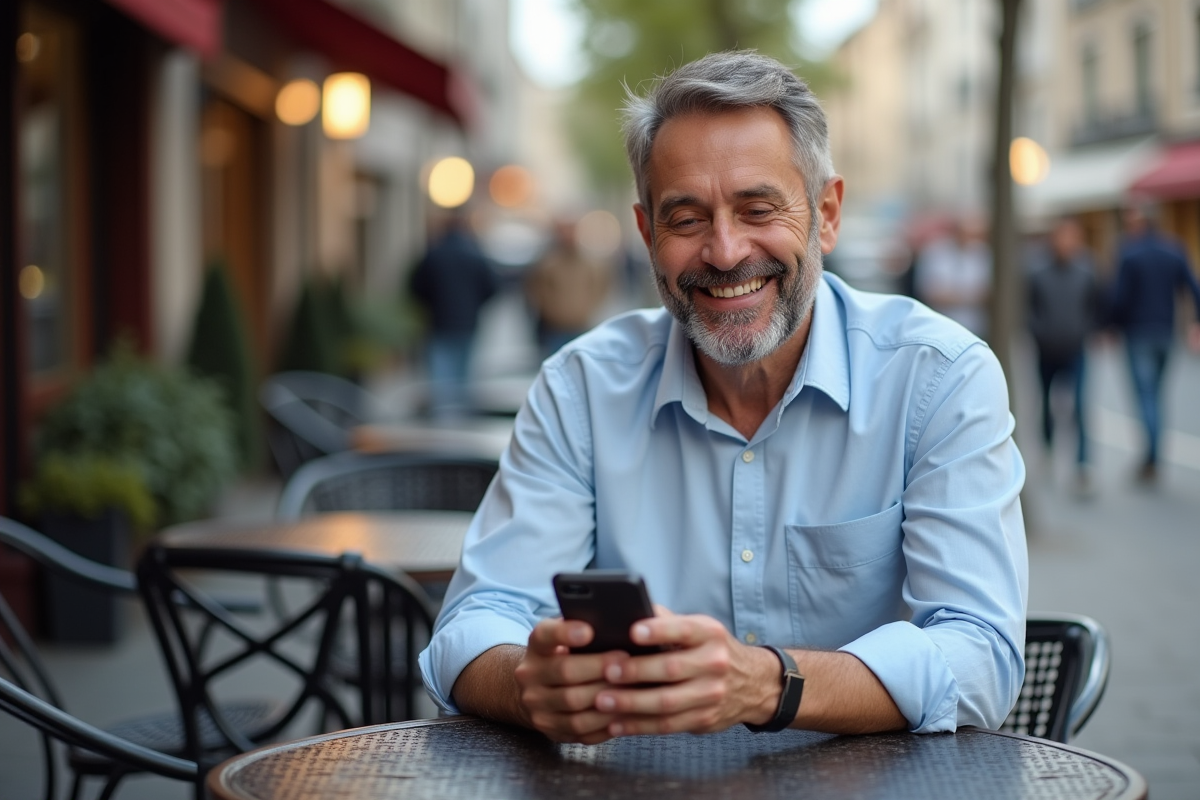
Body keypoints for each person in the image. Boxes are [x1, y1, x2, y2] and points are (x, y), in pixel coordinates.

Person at [419, 51, 1027, 742]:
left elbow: (982, 655)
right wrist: (531, 684)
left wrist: (767, 684)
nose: (726, 251)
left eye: (757, 208)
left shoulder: (939, 378)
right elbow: (472, 625)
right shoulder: (579, 389)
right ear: (647, 236)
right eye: (686, 219)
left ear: (826, 214)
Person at [1108, 204, 1200, 483]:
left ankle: (1152, 457)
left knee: (1146, 396)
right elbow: (1193, 288)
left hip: (1138, 335)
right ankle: (1152, 455)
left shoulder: (1130, 253)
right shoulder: (1174, 249)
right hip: (1165, 333)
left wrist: (1110, 326)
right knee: (1156, 395)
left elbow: (1119, 298)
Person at [1026, 218, 1102, 493]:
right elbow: (1028, 306)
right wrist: (1038, 331)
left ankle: (1082, 465)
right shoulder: (1037, 271)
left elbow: (1096, 304)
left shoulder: (1086, 270)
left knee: (1080, 406)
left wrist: (1089, 330)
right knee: (1046, 404)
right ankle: (1046, 451)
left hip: (1076, 348)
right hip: (1046, 349)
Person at [409, 213, 498, 419]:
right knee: (463, 376)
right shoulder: (475, 255)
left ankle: (444, 419)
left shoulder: (434, 254)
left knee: (441, 378)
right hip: (467, 323)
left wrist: (430, 306)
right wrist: (475, 306)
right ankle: (459, 417)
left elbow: (415, 287)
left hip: (439, 323)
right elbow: (492, 287)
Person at [525, 219, 614, 360]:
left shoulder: (590, 263)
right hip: (555, 328)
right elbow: (537, 291)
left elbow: (601, 286)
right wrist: (552, 311)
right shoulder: (548, 263)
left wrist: (587, 308)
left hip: (581, 325)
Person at [913, 216, 993, 338]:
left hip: (976, 326)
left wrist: (955, 296)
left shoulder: (982, 253)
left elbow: (987, 293)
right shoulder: (935, 251)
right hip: (942, 324)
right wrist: (969, 297)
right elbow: (932, 292)